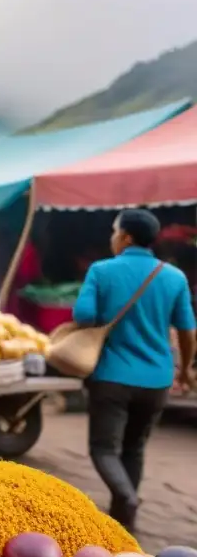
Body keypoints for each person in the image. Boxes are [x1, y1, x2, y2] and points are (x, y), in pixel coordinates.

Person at [73, 209, 196, 532]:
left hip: (111, 376)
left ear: (126, 237)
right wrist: (184, 370)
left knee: (103, 448)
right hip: (157, 379)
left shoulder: (102, 270)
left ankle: (125, 497)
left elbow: (83, 315)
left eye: (115, 231)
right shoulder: (174, 277)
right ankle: (123, 521)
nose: (112, 237)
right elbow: (186, 331)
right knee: (134, 447)